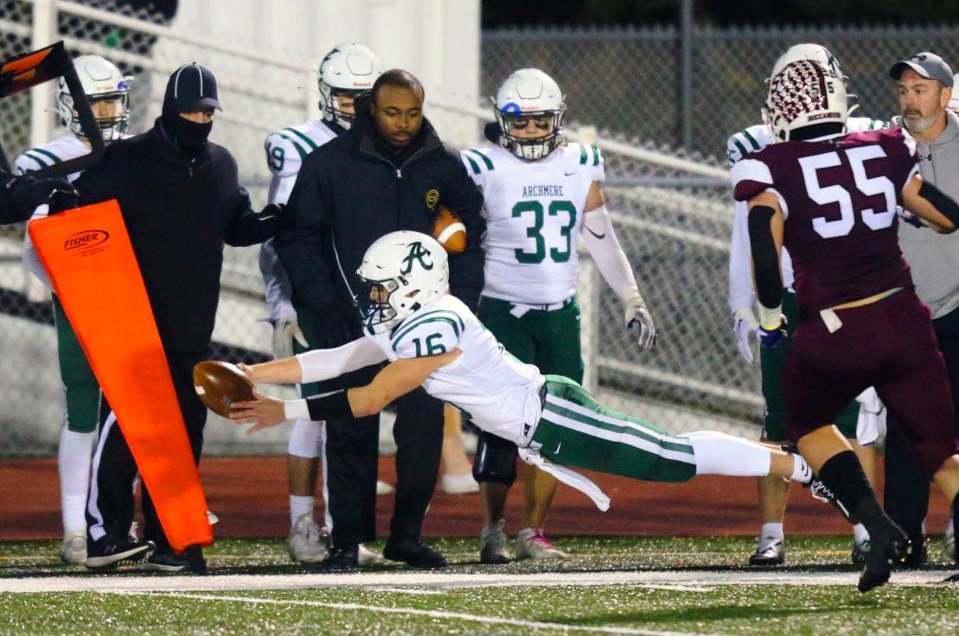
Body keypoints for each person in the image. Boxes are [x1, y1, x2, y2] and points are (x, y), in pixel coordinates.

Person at [226, 231, 817, 540]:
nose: (372, 297)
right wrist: (252, 374)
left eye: (380, 286)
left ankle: (802, 469)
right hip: (541, 419)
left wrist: (286, 413)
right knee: (669, 454)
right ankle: (793, 464)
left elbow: (373, 395)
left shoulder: (436, 324)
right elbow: (332, 360)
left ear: (411, 284)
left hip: (552, 416)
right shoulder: (413, 320)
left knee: (670, 456)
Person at [732, 57, 959, 592]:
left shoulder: (767, 165)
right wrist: (894, 210)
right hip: (904, 318)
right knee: (940, 447)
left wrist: (769, 318)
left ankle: (872, 523)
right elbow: (948, 216)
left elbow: (767, 262)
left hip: (835, 326)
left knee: (804, 423)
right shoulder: (885, 145)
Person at [273, 69, 486, 570]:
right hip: (350, 320)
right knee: (349, 427)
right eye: (392, 112)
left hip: (418, 326)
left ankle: (406, 537)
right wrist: (328, 306)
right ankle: (346, 541)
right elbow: (297, 239)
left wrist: (462, 305)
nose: (404, 123)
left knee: (423, 427)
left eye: (412, 113)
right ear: (371, 108)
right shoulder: (329, 164)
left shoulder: (443, 163)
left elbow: (471, 232)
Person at [73, 62, 281, 572]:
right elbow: (76, 220)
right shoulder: (127, 159)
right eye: (191, 109)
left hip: (192, 330)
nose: (199, 119)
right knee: (124, 431)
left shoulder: (221, 164)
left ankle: (171, 539)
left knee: (185, 437)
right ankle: (105, 534)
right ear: (170, 107)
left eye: (208, 111)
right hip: (134, 325)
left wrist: (285, 216)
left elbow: (236, 228)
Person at [461, 68, 655, 564]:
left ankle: (534, 530)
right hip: (501, 313)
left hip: (559, 315)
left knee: (555, 424)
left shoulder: (580, 162)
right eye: (519, 122)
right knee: (500, 425)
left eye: (539, 121)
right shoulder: (481, 165)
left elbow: (602, 237)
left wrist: (631, 296)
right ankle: (491, 529)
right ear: (502, 121)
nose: (529, 132)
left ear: (557, 119)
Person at [726, 43, 884, 567]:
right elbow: (747, 236)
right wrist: (744, 304)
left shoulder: (863, 136)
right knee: (783, 423)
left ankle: (865, 528)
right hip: (809, 299)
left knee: (853, 418)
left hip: (828, 299)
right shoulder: (869, 139)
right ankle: (774, 532)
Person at [260, 42, 389, 567]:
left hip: (372, 299)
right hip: (319, 298)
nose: (355, 106)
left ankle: (346, 531)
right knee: (318, 413)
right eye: (345, 95)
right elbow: (279, 236)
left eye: (364, 96)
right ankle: (302, 522)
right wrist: (281, 304)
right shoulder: (297, 145)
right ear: (324, 93)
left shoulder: (390, 145)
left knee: (358, 411)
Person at [14, 54, 132, 566]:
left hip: (137, 297)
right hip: (80, 298)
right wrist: (74, 286)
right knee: (83, 410)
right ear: (70, 105)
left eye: (111, 98)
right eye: (96, 99)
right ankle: (73, 529)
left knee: (137, 412)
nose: (106, 110)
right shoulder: (42, 161)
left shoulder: (139, 153)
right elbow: (33, 248)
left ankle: (124, 521)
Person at [883, 52, 959, 567]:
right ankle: (904, 536)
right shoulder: (882, 149)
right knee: (905, 426)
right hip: (902, 310)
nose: (910, 99)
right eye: (905, 90)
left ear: (945, 95)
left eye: (921, 89)